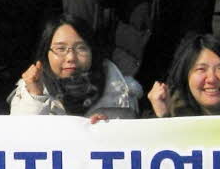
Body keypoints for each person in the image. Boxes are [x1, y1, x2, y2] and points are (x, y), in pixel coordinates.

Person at [9, 15, 141, 120]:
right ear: (46, 53)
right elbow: (21, 141)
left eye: (81, 48)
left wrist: (104, 131)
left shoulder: (122, 94)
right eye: (60, 49)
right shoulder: (27, 93)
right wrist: (35, 97)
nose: (71, 57)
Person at [147, 33, 220, 117]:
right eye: (201, 69)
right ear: (185, 76)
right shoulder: (167, 116)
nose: (212, 79)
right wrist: (162, 118)